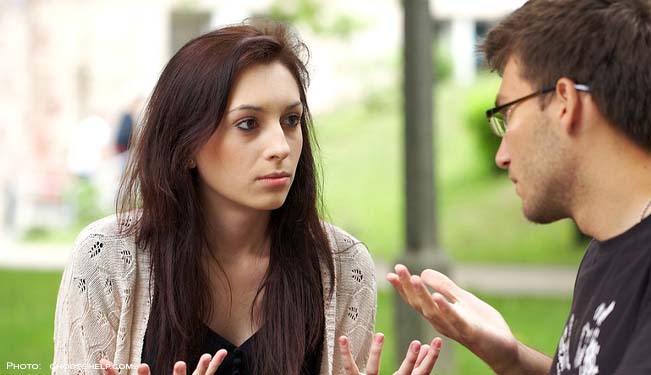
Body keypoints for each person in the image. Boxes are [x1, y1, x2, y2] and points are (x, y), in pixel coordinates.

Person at [53, 20, 440, 375]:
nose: (281, 147)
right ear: (186, 144)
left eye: (291, 120)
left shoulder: (340, 266)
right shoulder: (106, 259)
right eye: (248, 124)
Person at [389, 0, 651, 374]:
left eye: (508, 112)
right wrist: (511, 359)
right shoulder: (606, 252)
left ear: (566, 102)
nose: (502, 156)